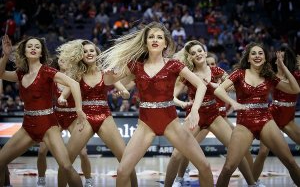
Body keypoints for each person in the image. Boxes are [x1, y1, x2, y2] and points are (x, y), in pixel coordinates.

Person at [100, 21, 214, 187]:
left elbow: (201, 84)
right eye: (151, 37)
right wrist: (109, 75)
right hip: (145, 124)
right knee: (123, 171)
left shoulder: (174, 65)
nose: (155, 39)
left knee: (204, 166)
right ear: (145, 42)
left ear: (165, 43)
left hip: (171, 122)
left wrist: (195, 110)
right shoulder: (135, 65)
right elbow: (109, 81)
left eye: (159, 37)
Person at [164, 40, 257, 187]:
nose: (197, 54)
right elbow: (172, 96)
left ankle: (252, 183)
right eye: (193, 53)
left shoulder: (217, 71)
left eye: (199, 51)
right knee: (177, 153)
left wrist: (218, 86)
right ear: (190, 57)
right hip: (195, 115)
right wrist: (181, 103)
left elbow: (233, 87)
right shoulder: (188, 74)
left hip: (214, 114)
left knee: (236, 151)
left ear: (205, 53)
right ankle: (175, 182)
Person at [0, 35, 85, 186]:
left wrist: (79, 109)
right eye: (30, 46)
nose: (33, 48)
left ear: (41, 53)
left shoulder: (47, 71)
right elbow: (1, 74)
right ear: (24, 51)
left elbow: (74, 84)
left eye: (37, 47)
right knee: (1, 161)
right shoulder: (20, 74)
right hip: (28, 126)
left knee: (66, 166)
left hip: (48, 126)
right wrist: (6, 55)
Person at [214, 42, 300, 186]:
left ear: (265, 58)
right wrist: (233, 103)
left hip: (265, 119)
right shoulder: (239, 73)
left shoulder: (269, 76)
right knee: (229, 167)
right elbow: (219, 90)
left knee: (290, 161)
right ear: (248, 58)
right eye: (253, 53)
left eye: (260, 53)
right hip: (244, 122)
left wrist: (283, 66)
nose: (257, 56)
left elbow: (295, 89)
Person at [56, 39, 138, 187]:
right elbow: (65, 94)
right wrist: (61, 98)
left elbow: (126, 93)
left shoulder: (105, 72)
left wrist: (122, 93)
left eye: (91, 50)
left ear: (96, 53)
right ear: (81, 56)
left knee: (126, 159)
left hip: (104, 116)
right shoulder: (77, 75)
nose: (88, 53)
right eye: (85, 51)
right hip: (85, 118)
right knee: (65, 162)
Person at [36, 56, 93, 187]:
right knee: (41, 151)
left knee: (83, 152)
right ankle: (41, 179)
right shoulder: (52, 77)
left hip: (74, 116)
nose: (63, 60)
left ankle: (89, 180)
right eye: (61, 59)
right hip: (56, 116)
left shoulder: (77, 75)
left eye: (66, 58)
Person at [252, 45, 300, 181]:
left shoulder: (295, 75)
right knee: (262, 152)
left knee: (291, 158)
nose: (280, 60)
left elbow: (296, 89)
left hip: (288, 117)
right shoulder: (270, 75)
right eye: (279, 58)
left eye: (284, 58)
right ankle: (252, 183)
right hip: (272, 115)